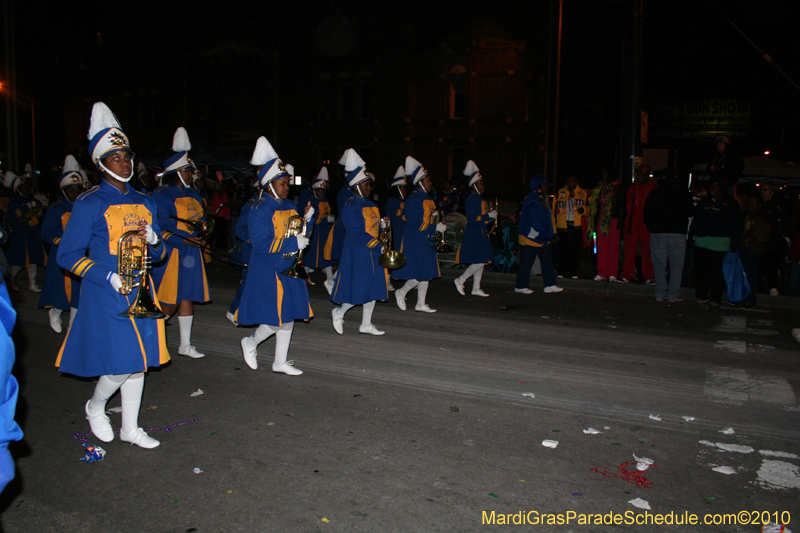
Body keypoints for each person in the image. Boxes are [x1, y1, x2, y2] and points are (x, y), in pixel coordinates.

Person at [56, 102, 169, 449]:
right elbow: (68, 255)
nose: (126, 163)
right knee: (123, 361)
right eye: (117, 157)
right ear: (101, 162)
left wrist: (155, 241)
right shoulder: (89, 202)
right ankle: (96, 405)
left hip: (140, 288)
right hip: (107, 292)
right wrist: (106, 277)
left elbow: (160, 254)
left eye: (128, 156)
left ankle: (130, 428)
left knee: (138, 363)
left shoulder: (145, 200)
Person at [236, 136, 313, 375]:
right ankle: (250, 342)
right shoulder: (258, 209)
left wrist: (306, 222)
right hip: (268, 268)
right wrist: (293, 240)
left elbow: (298, 233)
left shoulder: (289, 205)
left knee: (287, 315)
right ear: (269, 184)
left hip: (288, 265)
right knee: (275, 317)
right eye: (282, 183)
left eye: (287, 183)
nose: (286, 187)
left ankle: (279, 362)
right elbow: (260, 244)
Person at [151, 127, 211, 359]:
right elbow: (160, 227)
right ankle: (148, 337)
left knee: (187, 296)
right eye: (188, 170)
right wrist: (182, 238)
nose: (192, 174)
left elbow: (200, 218)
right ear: (177, 172)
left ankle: (184, 345)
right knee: (169, 301)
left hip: (191, 251)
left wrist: (203, 233)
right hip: (173, 252)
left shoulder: (194, 194)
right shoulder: (162, 194)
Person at [330, 149, 388, 335]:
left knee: (374, 287)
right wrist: (376, 244)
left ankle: (366, 324)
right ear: (357, 185)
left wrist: (384, 226)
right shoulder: (350, 206)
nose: (371, 187)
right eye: (367, 184)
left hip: (373, 249)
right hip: (358, 251)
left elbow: (374, 228)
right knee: (360, 288)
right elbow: (355, 232)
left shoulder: (372, 205)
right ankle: (339, 311)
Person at [392, 156, 445, 313]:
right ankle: (401, 292)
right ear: (420, 182)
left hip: (426, 239)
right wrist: (434, 228)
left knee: (427, 272)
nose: (430, 183)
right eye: (428, 180)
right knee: (420, 272)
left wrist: (437, 218)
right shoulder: (413, 200)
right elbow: (414, 223)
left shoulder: (428, 198)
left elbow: (428, 218)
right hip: (416, 239)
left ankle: (420, 303)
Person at [38, 155, 85, 333]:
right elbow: (46, 233)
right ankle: (55, 312)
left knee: (78, 292)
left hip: (81, 256)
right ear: (64, 190)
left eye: (78, 189)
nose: (75, 193)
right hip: (61, 256)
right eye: (71, 190)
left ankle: (73, 327)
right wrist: (63, 241)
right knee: (61, 292)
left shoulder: (85, 207)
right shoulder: (55, 209)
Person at [643, 167, 694, 302]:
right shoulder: (683, 193)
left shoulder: (655, 193)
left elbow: (646, 212)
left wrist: (652, 227)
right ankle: (673, 294)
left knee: (659, 266)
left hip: (658, 233)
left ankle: (660, 293)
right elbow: (690, 211)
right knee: (676, 267)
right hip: (677, 234)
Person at [688, 180, 743, 306]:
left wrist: (735, 242)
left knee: (717, 273)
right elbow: (696, 222)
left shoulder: (730, 204)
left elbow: (738, 225)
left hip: (720, 244)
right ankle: (701, 294)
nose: (713, 190)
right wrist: (691, 237)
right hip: (702, 243)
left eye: (716, 188)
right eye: (711, 188)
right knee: (701, 272)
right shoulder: (704, 203)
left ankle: (715, 297)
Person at [453, 160, 496, 297]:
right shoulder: (471, 199)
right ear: (474, 185)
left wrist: (490, 217)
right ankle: (461, 279)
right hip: (474, 232)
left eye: (482, 184)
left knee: (480, 260)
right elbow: (473, 218)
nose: (483, 186)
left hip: (481, 232)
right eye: (480, 184)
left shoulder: (480, 198)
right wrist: (486, 216)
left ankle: (476, 287)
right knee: (481, 259)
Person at [515, 174, 563, 294]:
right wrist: (543, 231)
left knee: (547, 260)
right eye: (545, 185)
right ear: (540, 185)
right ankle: (520, 286)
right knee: (527, 262)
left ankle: (550, 284)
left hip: (540, 237)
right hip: (532, 237)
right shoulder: (534, 199)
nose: (547, 187)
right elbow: (533, 219)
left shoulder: (539, 198)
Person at [4, 170, 47, 292]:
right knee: (19, 262)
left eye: (27, 186)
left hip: (33, 235)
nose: (26, 189)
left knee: (33, 259)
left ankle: (32, 284)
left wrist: (38, 211)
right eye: (23, 187)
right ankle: (9, 280)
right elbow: (13, 218)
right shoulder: (14, 202)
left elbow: (43, 216)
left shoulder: (34, 200)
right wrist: (25, 208)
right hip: (20, 236)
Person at [620, 164, 657, 284]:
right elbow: (627, 207)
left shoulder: (653, 188)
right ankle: (627, 275)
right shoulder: (632, 188)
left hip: (646, 224)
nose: (639, 176)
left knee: (647, 251)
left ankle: (649, 276)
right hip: (632, 223)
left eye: (642, 174)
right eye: (638, 173)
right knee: (629, 250)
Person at [586, 169, 623, 281]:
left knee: (613, 247)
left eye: (605, 173)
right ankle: (602, 272)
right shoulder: (600, 187)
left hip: (614, 219)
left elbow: (621, 207)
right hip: (601, 220)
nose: (603, 175)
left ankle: (612, 273)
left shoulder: (618, 187)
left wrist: (621, 224)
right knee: (601, 247)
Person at [552, 175, 587, 279]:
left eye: (573, 181)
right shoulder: (559, 193)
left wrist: (583, 210)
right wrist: (554, 228)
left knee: (575, 251)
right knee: (563, 250)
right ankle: (561, 271)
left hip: (576, 226)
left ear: (577, 181)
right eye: (569, 182)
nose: (571, 184)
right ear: (566, 182)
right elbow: (553, 211)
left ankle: (574, 272)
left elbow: (589, 209)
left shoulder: (583, 193)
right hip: (563, 226)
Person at [305, 168, 335, 286]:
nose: (321, 193)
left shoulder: (325, 200)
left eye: (323, 191)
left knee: (326, 252)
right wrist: (321, 217)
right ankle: (305, 275)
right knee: (310, 253)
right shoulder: (310, 201)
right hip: (314, 230)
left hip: (323, 231)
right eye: (319, 190)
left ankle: (330, 278)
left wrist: (329, 217)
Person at [759, 182, 790, 296]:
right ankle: (760, 288)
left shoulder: (776, 206)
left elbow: (782, 225)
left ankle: (773, 287)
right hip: (761, 242)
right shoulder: (761, 205)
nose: (762, 191)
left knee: (772, 265)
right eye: (762, 189)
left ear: (771, 192)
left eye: (765, 189)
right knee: (761, 265)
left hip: (773, 243)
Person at [383, 166, 408, 292]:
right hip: (395, 232)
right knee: (393, 256)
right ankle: (386, 280)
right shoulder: (392, 201)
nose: (404, 191)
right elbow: (390, 215)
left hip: (404, 232)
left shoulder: (406, 201)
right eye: (402, 188)